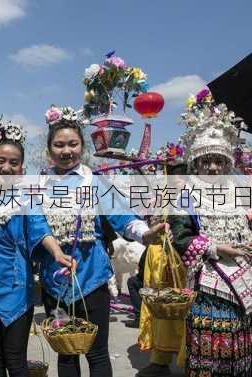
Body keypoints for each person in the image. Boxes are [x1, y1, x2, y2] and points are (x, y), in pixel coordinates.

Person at [38, 106, 170, 377]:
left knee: (97, 353)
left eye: (73, 144)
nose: (66, 151)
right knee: (66, 353)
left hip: (92, 279)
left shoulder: (95, 183)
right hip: (55, 282)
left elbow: (122, 216)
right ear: (49, 149)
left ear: (82, 146)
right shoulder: (38, 185)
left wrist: (145, 233)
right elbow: (32, 226)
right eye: (59, 145)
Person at [0, 118, 67, 377]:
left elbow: (39, 227)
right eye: (1, 160)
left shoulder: (26, 199)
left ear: (22, 168)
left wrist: (56, 252)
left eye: (14, 162)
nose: (6, 167)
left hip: (15, 291)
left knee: (15, 360)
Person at [168, 90, 252, 377]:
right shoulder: (185, 194)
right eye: (207, 161)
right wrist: (217, 248)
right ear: (196, 162)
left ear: (228, 162)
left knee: (241, 353)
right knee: (210, 355)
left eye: (219, 160)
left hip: (246, 282)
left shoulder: (241, 192)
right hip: (209, 287)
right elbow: (179, 238)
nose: (213, 167)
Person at [137, 161, 188, 377]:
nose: (177, 179)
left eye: (182, 175)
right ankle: (159, 360)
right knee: (158, 308)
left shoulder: (194, 197)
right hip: (157, 257)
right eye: (173, 174)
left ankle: (191, 357)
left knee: (184, 307)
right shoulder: (159, 197)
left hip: (184, 260)